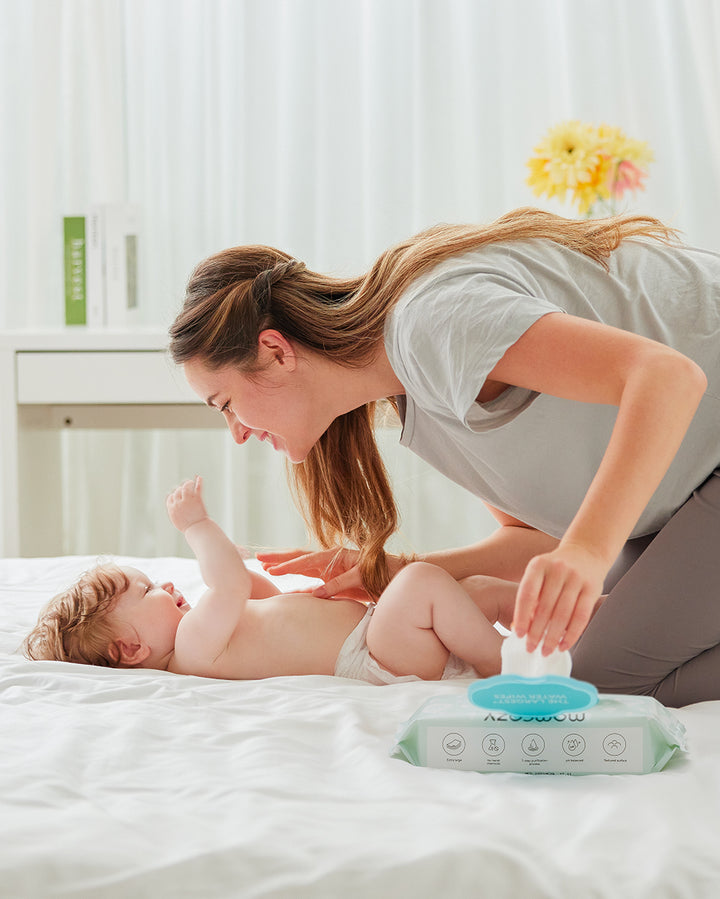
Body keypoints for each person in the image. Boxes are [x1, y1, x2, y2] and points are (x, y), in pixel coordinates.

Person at [168, 206, 720, 707]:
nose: (237, 434)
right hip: (690, 483)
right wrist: (392, 571)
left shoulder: (429, 325)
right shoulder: (413, 394)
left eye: (226, 405)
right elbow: (538, 539)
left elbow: (667, 377)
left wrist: (588, 552)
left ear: (275, 351)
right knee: (576, 633)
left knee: (590, 679)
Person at [22, 477, 511, 683]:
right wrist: (197, 528)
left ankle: (570, 622)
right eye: (148, 590)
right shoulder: (190, 649)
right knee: (422, 581)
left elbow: (256, 593)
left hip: (380, 633)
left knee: (475, 593)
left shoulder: (211, 636)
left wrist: (238, 561)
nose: (168, 587)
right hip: (375, 655)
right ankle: (507, 670)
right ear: (131, 650)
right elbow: (229, 588)